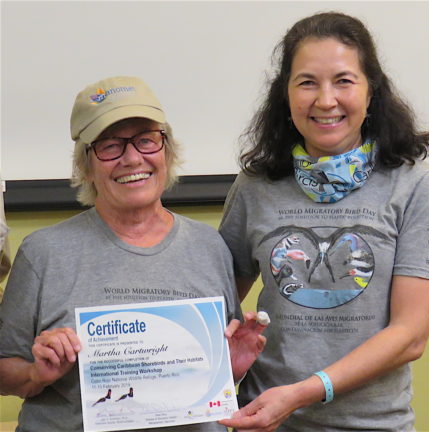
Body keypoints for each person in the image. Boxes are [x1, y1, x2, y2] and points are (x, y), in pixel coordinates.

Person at [218, 12, 429, 432]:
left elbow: (411, 336)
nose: (325, 100)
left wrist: (304, 392)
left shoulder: (416, 183)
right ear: (285, 95)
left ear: (371, 91)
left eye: (343, 80)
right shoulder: (254, 185)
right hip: (266, 423)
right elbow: (215, 307)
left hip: (375, 425)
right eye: (307, 82)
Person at [0, 76, 266, 432]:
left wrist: (228, 369)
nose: (132, 158)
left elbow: (213, 378)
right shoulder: (43, 252)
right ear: (86, 164)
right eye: (110, 145)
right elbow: (4, 373)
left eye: (146, 140)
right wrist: (37, 373)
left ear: (166, 150)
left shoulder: (209, 247)